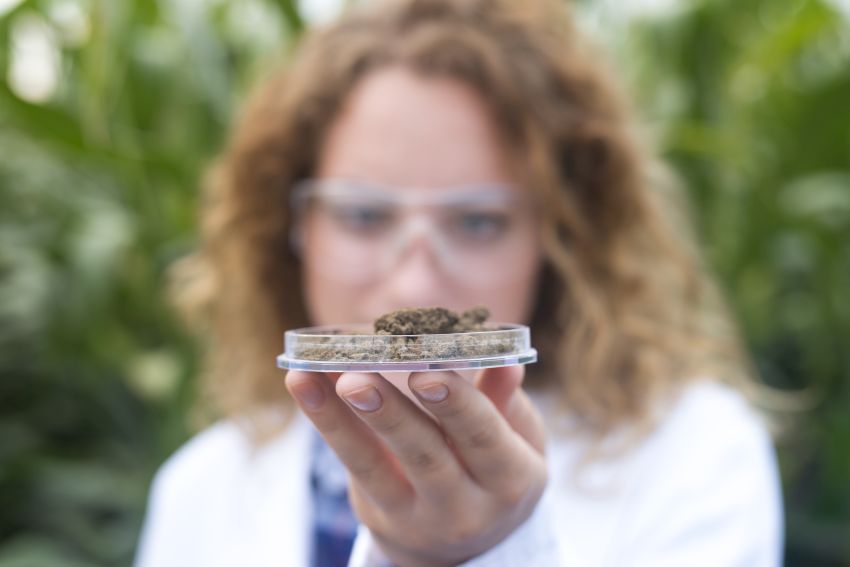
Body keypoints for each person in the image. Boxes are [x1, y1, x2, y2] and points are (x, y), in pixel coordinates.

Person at [135, 0, 783, 565]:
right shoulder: (199, 488)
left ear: (560, 238)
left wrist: (492, 550)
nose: (416, 287)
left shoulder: (696, 455)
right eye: (363, 215)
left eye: (477, 221)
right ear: (293, 224)